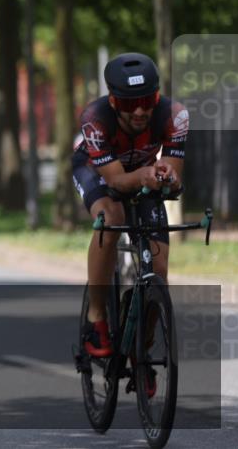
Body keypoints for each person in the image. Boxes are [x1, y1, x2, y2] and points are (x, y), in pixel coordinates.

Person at [73, 52, 188, 375]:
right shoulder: (94, 118)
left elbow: (174, 177)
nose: (139, 111)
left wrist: (168, 177)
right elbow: (116, 181)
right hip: (98, 171)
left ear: (157, 96)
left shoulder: (175, 115)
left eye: (146, 100)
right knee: (112, 218)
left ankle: (143, 344)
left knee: (160, 271)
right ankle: (97, 318)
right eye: (127, 104)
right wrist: (145, 176)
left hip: (143, 171)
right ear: (112, 102)